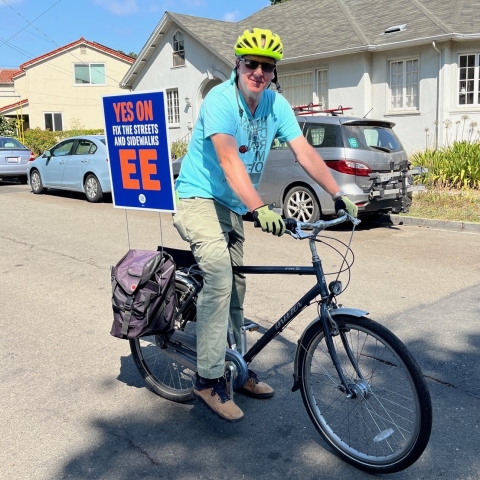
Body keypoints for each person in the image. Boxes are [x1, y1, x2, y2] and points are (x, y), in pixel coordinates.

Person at [173, 28, 357, 423]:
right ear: (237, 65)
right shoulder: (220, 100)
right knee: (220, 277)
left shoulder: (275, 104)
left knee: (237, 287)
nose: (258, 72)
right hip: (198, 198)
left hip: (232, 204)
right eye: (251, 64)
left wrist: (337, 193)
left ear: (274, 73)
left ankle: (235, 367)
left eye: (267, 67)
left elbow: (304, 152)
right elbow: (227, 159)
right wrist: (258, 207)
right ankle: (208, 381)